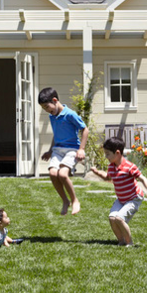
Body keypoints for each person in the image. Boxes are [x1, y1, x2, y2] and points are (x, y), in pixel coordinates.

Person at [91, 137, 147, 246]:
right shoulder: (111, 166)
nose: (106, 157)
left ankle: (129, 243)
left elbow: (142, 178)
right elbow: (108, 177)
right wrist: (97, 172)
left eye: (107, 154)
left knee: (119, 218)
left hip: (134, 198)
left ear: (117, 153)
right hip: (121, 199)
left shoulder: (129, 167)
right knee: (112, 218)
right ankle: (121, 241)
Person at [38, 87, 89, 216]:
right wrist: (50, 151)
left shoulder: (70, 114)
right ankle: (65, 201)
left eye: (46, 106)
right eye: (43, 108)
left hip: (72, 150)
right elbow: (56, 135)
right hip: (57, 150)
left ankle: (75, 200)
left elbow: (85, 129)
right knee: (53, 173)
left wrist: (81, 149)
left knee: (63, 174)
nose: (46, 110)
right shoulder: (52, 116)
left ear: (55, 100)